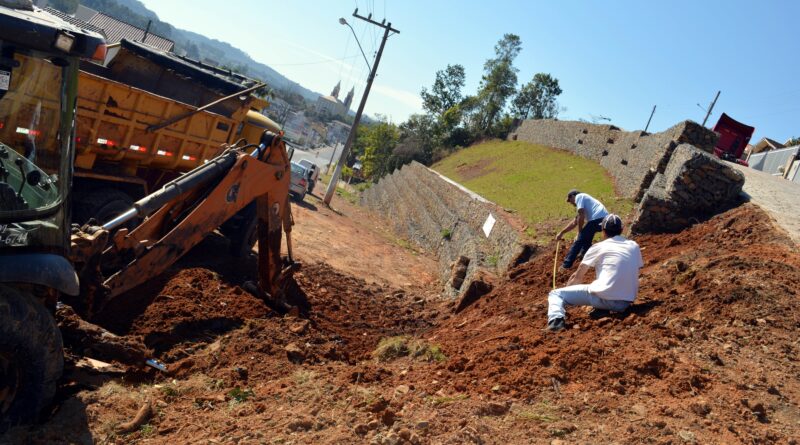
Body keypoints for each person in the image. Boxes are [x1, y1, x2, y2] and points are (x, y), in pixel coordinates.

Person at [546, 214, 643, 332]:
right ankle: (602, 310)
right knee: (605, 280)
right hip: (624, 303)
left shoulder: (598, 247)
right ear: (621, 230)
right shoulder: (634, 246)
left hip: (604, 298)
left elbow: (578, 276)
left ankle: (556, 323)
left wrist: (568, 296)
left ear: (603, 231)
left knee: (556, 294)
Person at [556, 190, 608, 271]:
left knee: (579, 241)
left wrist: (579, 233)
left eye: (570, 200)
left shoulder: (579, 197)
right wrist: (561, 233)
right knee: (586, 240)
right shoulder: (585, 205)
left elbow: (581, 216)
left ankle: (566, 265)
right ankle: (585, 256)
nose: (571, 203)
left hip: (598, 219)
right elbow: (574, 222)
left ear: (573, 196)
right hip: (603, 220)